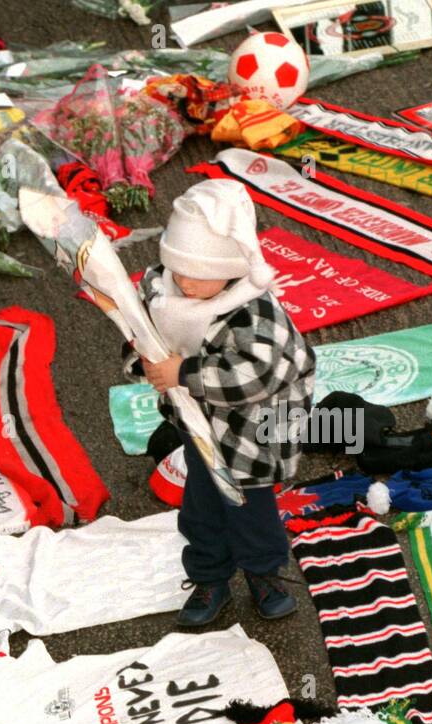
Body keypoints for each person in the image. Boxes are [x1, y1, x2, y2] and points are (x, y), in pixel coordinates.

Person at [106, 179, 315, 626]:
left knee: (250, 507)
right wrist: (143, 362)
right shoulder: (165, 290)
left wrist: (183, 373)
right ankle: (209, 576)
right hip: (200, 425)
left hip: (256, 429)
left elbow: (255, 376)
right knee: (201, 505)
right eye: (178, 268)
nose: (184, 281)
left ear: (233, 266)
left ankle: (264, 573)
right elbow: (140, 333)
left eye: (198, 274)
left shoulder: (255, 313)